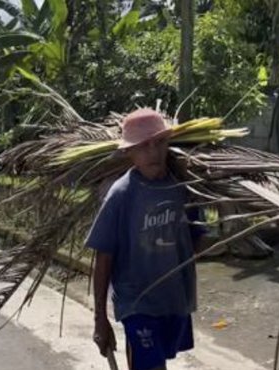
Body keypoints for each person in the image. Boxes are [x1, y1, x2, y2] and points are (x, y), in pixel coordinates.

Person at [85, 108, 205, 370]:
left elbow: (197, 238)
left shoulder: (183, 189)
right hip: (137, 303)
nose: (153, 151)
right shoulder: (121, 195)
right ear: (129, 152)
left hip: (174, 300)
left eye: (159, 142)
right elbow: (103, 257)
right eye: (143, 146)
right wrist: (100, 319)